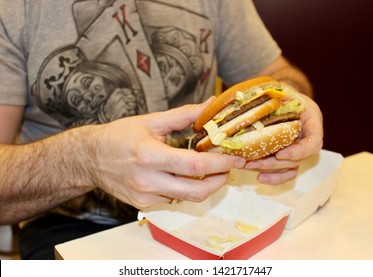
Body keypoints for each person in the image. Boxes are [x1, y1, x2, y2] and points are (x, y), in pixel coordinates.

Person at [0, 0, 323, 259]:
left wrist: (293, 99)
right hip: (73, 226)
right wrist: (86, 159)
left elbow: (277, 77)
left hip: (209, 211)